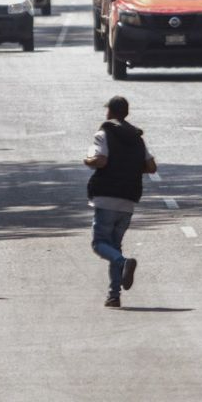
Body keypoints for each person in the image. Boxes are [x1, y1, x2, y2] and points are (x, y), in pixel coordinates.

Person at [82, 96, 157, 308]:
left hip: (106, 196)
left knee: (99, 244)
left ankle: (123, 263)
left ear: (110, 112)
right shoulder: (137, 138)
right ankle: (114, 295)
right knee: (115, 246)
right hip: (129, 200)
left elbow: (101, 160)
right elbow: (151, 167)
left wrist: (87, 160)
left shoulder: (104, 134)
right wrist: (129, 166)